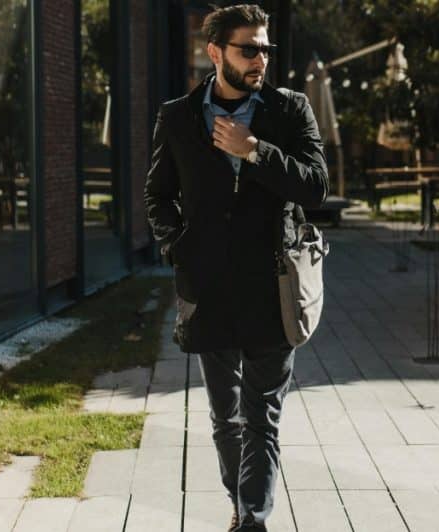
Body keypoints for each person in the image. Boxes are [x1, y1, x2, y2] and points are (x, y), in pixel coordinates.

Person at [143, 5, 328, 530]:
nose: (260, 60)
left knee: (261, 418)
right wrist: (177, 248)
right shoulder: (177, 116)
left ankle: (252, 520)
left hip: (273, 286)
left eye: (265, 49)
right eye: (249, 49)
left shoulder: (289, 111)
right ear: (216, 53)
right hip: (208, 286)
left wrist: (256, 152)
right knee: (225, 418)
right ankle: (241, 505)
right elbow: (158, 195)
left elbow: (316, 187)